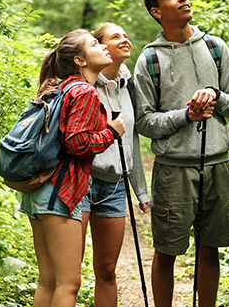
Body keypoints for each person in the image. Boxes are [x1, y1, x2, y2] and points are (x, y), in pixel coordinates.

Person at [134, 0, 229, 307]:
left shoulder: (215, 47)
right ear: (157, 12)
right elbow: (143, 123)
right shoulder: (149, 60)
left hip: (218, 165)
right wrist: (185, 116)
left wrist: (216, 95)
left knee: (209, 249)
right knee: (166, 251)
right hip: (173, 171)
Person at [19, 29, 126, 307]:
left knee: (48, 280)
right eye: (94, 44)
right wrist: (111, 132)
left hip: (39, 191)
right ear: (80, 60)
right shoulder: (84, 91)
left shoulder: (61, 87)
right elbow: (76, 142)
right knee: (69, 283)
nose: (102, 46)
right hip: (61, 194)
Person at [80, 22, 152, 307]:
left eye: (125, 34)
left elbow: (130, 141)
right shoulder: (83, 85)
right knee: (70, 273)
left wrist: (141, 192)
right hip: (82, 181)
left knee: (108, 271)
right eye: (115, 36)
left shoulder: (129, 85)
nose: (125, 39)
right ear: (100, 47)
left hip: (114, 187)